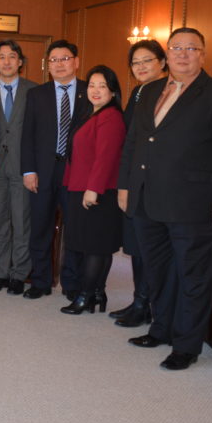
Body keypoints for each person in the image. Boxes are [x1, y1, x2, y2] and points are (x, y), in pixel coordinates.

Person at [118, 27, 212, 371]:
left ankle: (187, 346)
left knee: (193, 276)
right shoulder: (149, 90)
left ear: (203, 55)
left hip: (194, 203)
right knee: (157, 270)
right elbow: (135, 142)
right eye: (177, 48)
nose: (183, 55)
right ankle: (161, 328)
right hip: (147, 199)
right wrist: (125, 186)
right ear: (167, 55)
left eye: (192, 49)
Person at [20, 40, 90, 299]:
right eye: (54, 60)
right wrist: (28, 170)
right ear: (47, 65)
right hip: (42, 171)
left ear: (76, 62)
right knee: (40, 227)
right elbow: (27, 136)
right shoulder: (36, 94)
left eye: (65, 58)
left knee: (75, 230)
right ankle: (40, 281)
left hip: (76, 173)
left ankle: (72, 283)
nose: (59, 64)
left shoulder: (89, 91)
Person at [109, 39, 167, 327]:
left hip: (154, 183)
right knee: (135, 244)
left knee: (148, 247)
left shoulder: (167, 92)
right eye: (135, 63)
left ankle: (149, 303)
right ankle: (139, 301)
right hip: (134, 179)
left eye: (147, 61)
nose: (141, 67)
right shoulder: (138, 92)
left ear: (162, 63)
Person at [60, 65, 126, 315]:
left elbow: (105, 158)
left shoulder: (111, 117)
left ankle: (85, 296)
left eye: (102, 86)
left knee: (95, 247)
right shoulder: (91, 114)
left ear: (113, 91)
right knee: (95, 244)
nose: (96, 90)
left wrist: (93, 190)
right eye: (91, 85)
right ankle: (98, 292)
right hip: (81, 187)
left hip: (96, 192)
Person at [0, 40, 36, 295]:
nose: (7, 61)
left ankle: (19, 275)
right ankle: (0, 273)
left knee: (22, 223)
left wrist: (34, 168)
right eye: (1, 57)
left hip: (23, 168)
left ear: (20, 62)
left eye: (12, 56)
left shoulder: (34, 91)